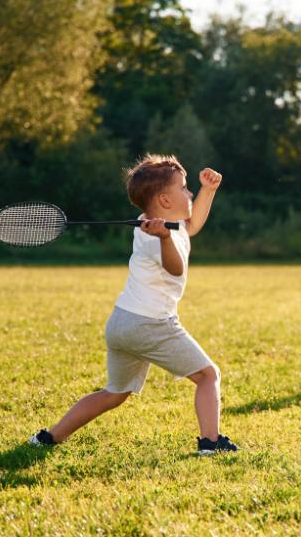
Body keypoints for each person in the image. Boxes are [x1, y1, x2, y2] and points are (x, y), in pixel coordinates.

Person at [28, 154, 238, 455]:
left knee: (115, 393)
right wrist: (164, 238)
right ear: (165, 200)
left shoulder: (168, 225)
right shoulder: (154, 235)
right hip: (151, 324)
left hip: (121, 324)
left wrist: (209, 191)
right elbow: (175, 268)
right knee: (208, 375)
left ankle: (48, 437)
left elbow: (192, 226)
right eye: (185, 188)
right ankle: (211, 442)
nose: (189, 193)